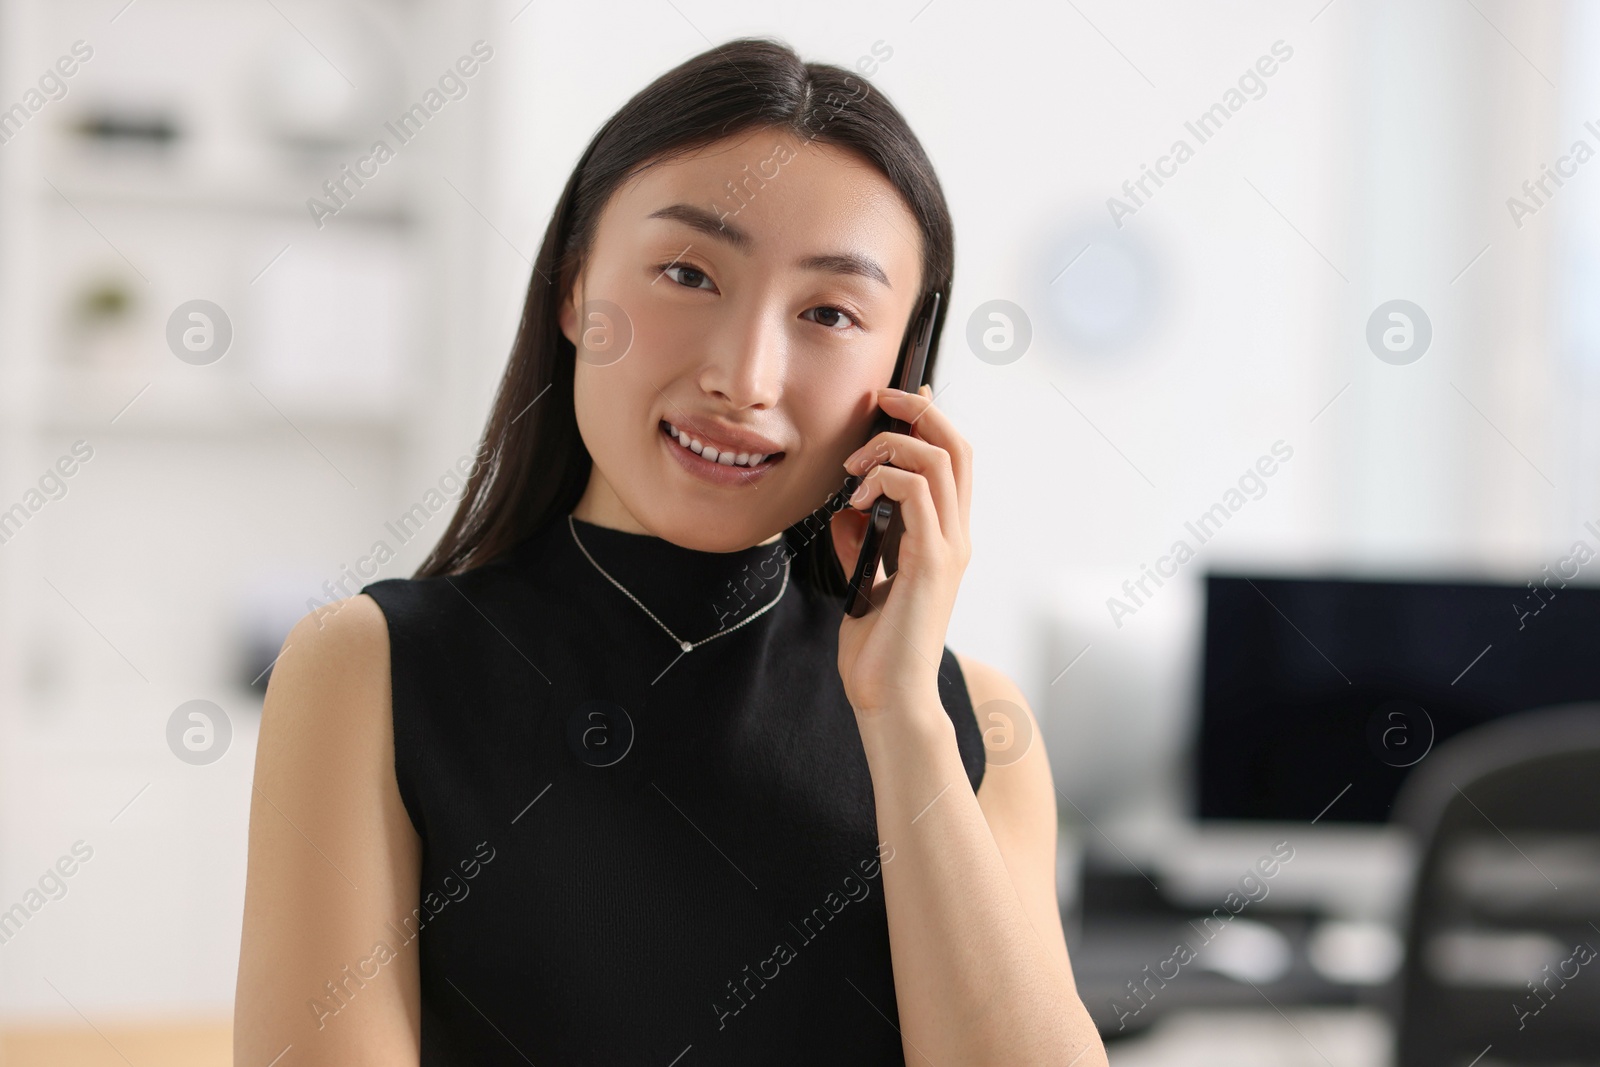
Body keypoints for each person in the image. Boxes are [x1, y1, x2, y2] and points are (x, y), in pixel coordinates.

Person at [235, 36, 1106, 1066]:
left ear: (900, 379)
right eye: (689, 273)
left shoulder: (973, 731)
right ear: (573, 289)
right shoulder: (370, 667)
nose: (744, 375)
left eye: (829, 312)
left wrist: (902, 713)